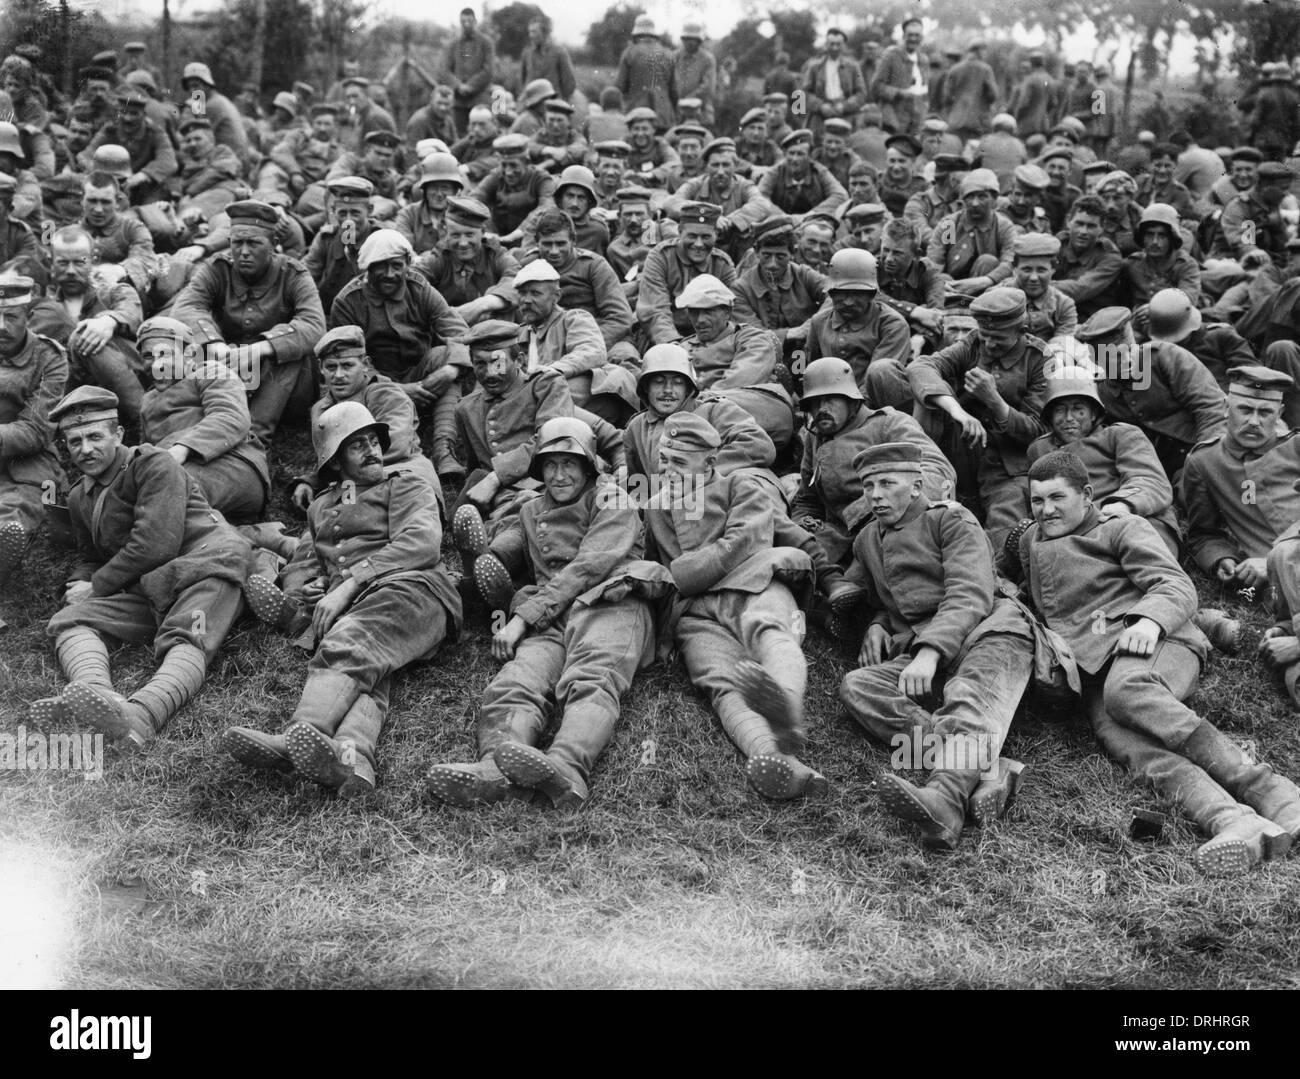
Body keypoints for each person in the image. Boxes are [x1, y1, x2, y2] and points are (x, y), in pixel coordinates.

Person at [1018, 450, 1300, 874]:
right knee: (1129, 745)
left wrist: (1148, 622)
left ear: (1088, 495)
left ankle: (1276, 794)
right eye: (1037, 501)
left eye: (1057, 498)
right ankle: (1234, 821)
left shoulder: (1122, 526)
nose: (1046, 510)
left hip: (1159, 642)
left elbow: (1174, 584)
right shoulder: (1029, 541)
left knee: (1127, 690)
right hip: (1093, 668)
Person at [227, 401, 460, 795]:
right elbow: (310, 558)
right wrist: (314, 585)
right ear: (335, 461)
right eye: (357, 445)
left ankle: (302, 736)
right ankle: (355, 760)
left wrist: (349, 582)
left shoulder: (406, 484)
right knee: (369, 672)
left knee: (349, 642)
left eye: (374, 441)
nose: (372, 450)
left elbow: (421, 544)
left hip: (415, 591)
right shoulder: (321, 507)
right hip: (361, 607)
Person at [426, 417, 656, 808]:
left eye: (570, 463)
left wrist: (521, 618)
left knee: (592, 677)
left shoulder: (613, 498)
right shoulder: (532, 509)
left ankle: (565, 768)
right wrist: (487, 560)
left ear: (588, 466)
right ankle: (494, 768)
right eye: (550, 464)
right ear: (538, 469)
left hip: (611, 600)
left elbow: (588, 566)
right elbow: (516, 544)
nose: (560, 474)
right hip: (551, 614)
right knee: (517, 680)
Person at [838, 441, 1034, 848]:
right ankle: (986, 765)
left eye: (887, 483)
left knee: (966, 697)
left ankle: (944, 802)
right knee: (858, 686)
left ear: (916, 485)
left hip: (990, 630)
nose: (874, 495)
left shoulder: (952, 519)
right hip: (923, 647)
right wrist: (876, 624)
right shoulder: (867, 541)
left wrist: (927, 655)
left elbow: (969, 593)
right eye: (867, 485)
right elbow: (883, 597)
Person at [35, 386, 253, 749]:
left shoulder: (153, 464)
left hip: (206, 564)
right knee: (69, 621)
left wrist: (99, 584)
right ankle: (99, 696)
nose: (85, 449)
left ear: (118, 434)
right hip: (151, 586)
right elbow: (91, 556)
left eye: (94, 436)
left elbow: (157, 543)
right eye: (74, 442)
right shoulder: (78, 496)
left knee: (189, 633)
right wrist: (79, 586)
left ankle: (144, 714)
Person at [645, 410, 826, 799]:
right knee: (720, 682)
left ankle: (787, 710)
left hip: (753, 582)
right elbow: (654, 571)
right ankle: (774, 757)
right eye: (663, 458)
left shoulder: (742, 485)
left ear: (710, 461)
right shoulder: (656, 506)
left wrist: (684, 574)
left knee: (772, 634)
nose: (667, 469)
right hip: (696, 615)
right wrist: (663, 634)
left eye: (678, 461)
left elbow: (743, 543)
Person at [171, 199, 327, 449]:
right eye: (237, 242)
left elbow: (314, 325)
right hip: (228, 366)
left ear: (274, 245)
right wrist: (215, 344)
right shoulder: (217, 268)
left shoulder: (294, 274)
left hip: (283, 388)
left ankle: (255, 436)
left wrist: (259, 349)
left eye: (253, 243)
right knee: (183, 342)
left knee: (289, 350)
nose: (243, 251)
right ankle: (194, 418)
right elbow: (186, 307)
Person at [909, 287, 1048, 546]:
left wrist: (995, 401)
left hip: (1004, 462)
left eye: (999, 338)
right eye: (985, 336)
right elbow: (921, 366)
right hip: (958, 448)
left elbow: (1036, 430)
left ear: (1021, 331)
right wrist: (957, 411)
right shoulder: (973, 343)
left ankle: (1000, 579)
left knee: (1006, 529)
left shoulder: (1040, 359)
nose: (990, 344)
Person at [329, 229, 470, 482]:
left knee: (443, 356)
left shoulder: (419, 288)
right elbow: (347, 363)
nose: (391, 274)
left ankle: (444, 448)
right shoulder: (347, 302)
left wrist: (451, 369)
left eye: (397, 265)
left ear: (407, 265)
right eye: (380, 267)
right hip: (372, 384)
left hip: (420, 371)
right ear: (367, 268)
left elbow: (456, 329)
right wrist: (400, 389)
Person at [790, 356, 954, 572]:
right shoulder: (816, 437)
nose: (821, 409)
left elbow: (939, 472)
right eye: (813, 403)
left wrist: (870, 505)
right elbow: (807, 499)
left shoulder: (889, 423)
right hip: (837, 537)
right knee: (790, 559)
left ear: (852, 400)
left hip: (892, 525)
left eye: (830, 399)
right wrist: (802, 529)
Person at [1025, 362, 1180, 555]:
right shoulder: (1040, 449)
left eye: (1078, 409)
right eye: (1059, 410)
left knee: (1142, 556)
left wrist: (1122, 504)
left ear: (1093, 413)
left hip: (1132, 518)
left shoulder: (1121, 435)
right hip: (1075, 531)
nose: (1069, 418)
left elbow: (1150, 481)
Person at [135, 315, 268, 521]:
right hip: (176, 469)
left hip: (231, 463)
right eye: (148, 356)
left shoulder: (211, 372)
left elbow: (230, 417)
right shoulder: (148, 400)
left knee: (166, 494)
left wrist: (180, 448)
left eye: (165, 354)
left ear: (189, 354)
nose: (156, 365)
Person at [1182, 366, 1300, 594]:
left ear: (1280, 413)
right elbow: (1203, 534)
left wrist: (1272, 563)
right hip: (1277, 588)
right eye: (1245, 410)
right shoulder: (1204, 461)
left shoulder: (1296, 447)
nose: (1254, 421)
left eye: (1265, 412)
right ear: (1226, 408)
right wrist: (1221, 558)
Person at [1075, 306, 1225, 477]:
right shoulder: (1102, 390)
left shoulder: (1166, 357)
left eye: (1130, 350)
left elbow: (1212, 409)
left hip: (1202, 451)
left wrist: (1202, 458)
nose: (1127, 360)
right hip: (1156, 472)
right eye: (1116, 356)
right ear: (1098, 361)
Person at [28, 226, 145, 428]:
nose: (71, 271)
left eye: (79, 262)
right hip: (73, 396)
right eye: (63, 263)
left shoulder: (112, 292)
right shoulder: (45, 309)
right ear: (52, 263)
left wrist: (109, 320)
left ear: (93, 260)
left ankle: (144, 423)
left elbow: (132, 311)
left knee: (83, 337)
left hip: (128, 386)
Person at [0, 272, 66, 593]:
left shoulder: (49, 358)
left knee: (16, 509)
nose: (1, 326)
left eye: (10, 316)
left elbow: (36, 430)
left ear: (28, 317)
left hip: (26, 463)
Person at [803, 249, 912, 409]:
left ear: (872, 294)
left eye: (858, 294)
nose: (848, 302)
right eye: (842, 293)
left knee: (881, 369)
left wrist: (852, 413)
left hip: (884, 405)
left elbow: (880, 379)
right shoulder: (819, 322)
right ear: (831, 293)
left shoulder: (892, 324)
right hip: (833, 405)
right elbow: (809, 365)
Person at [636, 201, 743, 345]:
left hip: (711, 339)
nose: (698, 244)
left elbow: (735, 309)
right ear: (679, 231)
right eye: (692, 236)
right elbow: (655, 310)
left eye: (706, 237)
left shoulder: (722, 264)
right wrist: (674, 343)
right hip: (663, 338)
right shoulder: (661, 257)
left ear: (716, 235)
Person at [413, 196, 520, 322]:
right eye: (455, 235)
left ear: (483, 232)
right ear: (446, 233)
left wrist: (482, 304)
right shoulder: (440, 257)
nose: (463, 243)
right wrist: (444, 312)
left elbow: (517, 278)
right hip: (448, 330)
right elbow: (413, 281)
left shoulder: (495, 254)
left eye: (470, 235)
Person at [926, 167, 1017, 296]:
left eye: (982, 197)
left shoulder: (1002, 226)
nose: (975, 203)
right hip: (951, 287)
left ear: (994, 198)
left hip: (987, 288)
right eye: (969, 197)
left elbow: (1010, 261)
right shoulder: (950, 225)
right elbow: (936, 259)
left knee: (987, 261)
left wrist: (987, 280)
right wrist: (940, 282)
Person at [1052, 194, 1123, 318]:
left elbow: (1080, 289)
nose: (1083, 232)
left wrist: (1038, 284)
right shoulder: (1058, 243)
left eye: (1091, 226)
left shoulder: (1110, 256)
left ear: (1102, 227)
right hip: (1057, 315)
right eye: (1079, 224)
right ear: (1069, 221)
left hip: (1091, 323)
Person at [758, 129, 847, 220]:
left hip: (813, 222)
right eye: (791, 153)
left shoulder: (819, 171)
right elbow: (760, 196)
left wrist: (813, 214)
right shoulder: (776, 171)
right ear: (785, 154)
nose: (795, 159)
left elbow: (841, 195)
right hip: (779, 222)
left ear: (809, 156)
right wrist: (782, 216)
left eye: (800, 154)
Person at [179, 62, 249, 165]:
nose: (192, 91)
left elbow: (199, 138)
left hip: (230, 162)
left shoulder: (213, 105)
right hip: (232, 158)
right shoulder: (218, 100)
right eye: (189, 87)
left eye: (196, 86)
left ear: (208, 85)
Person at [394, 152, 464, 254]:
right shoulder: (409, 214)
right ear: (425, 190)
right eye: (433, 187)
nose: (439, 194)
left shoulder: (464, 216)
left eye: (445, 188)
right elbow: (404, 248)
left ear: (455, 191)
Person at [616, 15, 677, 130]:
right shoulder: (668, 54)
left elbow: (620, 86)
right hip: (664, 115)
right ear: (654, 35)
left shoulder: (629, 53)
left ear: (636, 35)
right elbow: (674, 91)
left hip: (636, 115)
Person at [1013, 232, 1078, 339]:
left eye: (1041, 270)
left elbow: (1063, 344)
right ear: (1015, 269)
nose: (1034, 278)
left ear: (1053, 270)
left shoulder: (1063, 305)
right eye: (1027, 269)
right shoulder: (995, 297)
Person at [441, 7, 496, 133]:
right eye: (463, 21)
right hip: (459, 100)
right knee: (459, 134)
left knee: (482, 133)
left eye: (469, 21)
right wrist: (458, 86)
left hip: (480, 98)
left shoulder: (486, 43)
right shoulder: (453, 44)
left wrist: (471, 86)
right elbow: (445, 70)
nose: (466, 24)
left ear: (475, 22)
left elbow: (489, 70)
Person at [871, 19, 928, 137]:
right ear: (903, 36)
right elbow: (876, 86)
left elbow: (925, 90)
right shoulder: (891, 55)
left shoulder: (923, 60)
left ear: (922, 37)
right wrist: (899, 93)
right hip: (893, 120)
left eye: (917, 35)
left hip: (916, 121)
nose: (913, 39)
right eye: (910, 35)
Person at [942, 42, 1000, 142]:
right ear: (979, 51)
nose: (985, 54)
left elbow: (947, 96)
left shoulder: (954, 69)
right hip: (978, 122)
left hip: (956, 120)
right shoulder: (986, 69)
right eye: (984, 51)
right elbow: (994, 95)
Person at [673, 21, 717, 127]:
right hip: (676, 113)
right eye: (687, 38)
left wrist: (685, 102)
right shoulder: (674, 56)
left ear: (699, 41)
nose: (690, 42)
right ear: (682, 39)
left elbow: (707, 88)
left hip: (700, 112)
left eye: (693, 39)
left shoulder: (707, 59)